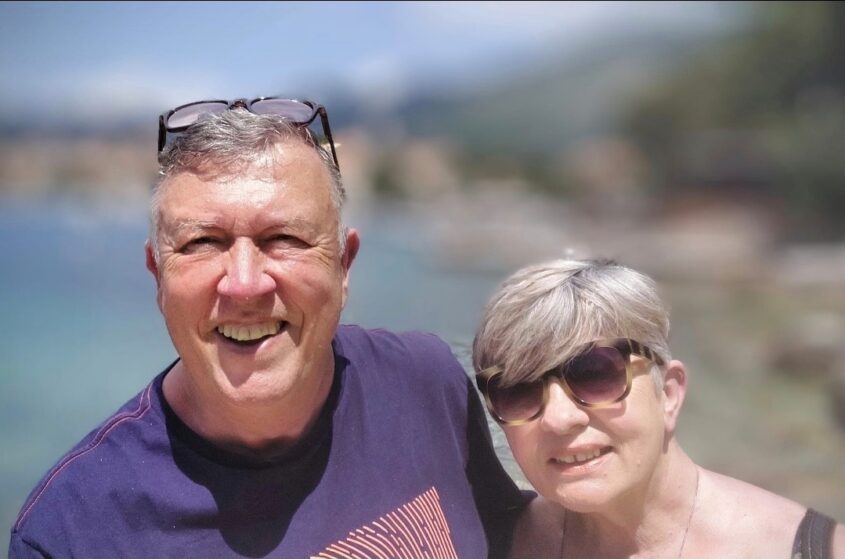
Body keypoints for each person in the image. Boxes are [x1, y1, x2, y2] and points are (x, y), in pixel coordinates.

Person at [9, 98, 528, 558]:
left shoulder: (425, 382)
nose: (243, 286)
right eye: (201, 243)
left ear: (344, 265)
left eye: (283, 237)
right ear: (157, 275)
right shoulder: (72, 531)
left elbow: (517, 537)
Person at [472, 258, 845, 558]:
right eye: (517, 389)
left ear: (669, 392)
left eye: (593, 373)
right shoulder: (482, 542)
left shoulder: (812, 550)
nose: (558, 418)